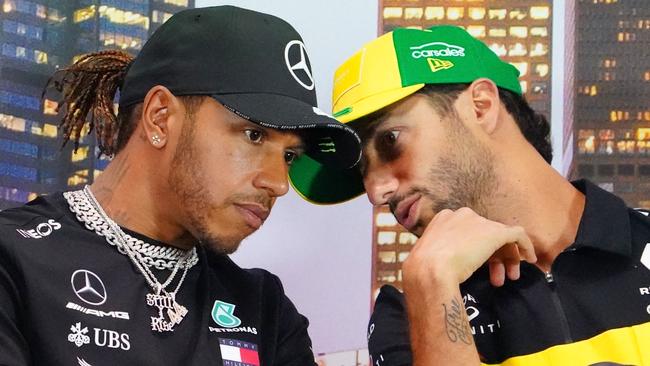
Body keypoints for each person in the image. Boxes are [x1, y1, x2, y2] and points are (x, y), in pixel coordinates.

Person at [0, 6, 361, 365]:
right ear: (160, 117)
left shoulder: (266, 310)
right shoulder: (14, 260)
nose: (278, 183)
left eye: (289, 156)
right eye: (254, 136)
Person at [289, 25, 650, 365]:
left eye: (390, 140)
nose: (375, 191)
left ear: (481, 105)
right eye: (361, 172)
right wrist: (434, 286)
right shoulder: (408, 310)